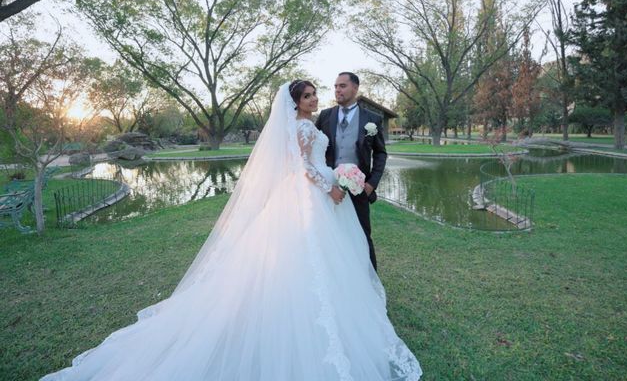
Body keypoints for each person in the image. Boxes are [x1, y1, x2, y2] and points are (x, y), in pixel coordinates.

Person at [41, 81, 422, 381]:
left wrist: (340, 176)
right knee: (306, 257)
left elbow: (320, 160)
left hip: (324, 189)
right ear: (295, 101)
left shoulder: (312, 122)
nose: (314, 99)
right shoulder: (302, 128)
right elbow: (299, 167)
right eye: (307, 96)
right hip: (310, 194)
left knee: (332, 258)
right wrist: (330, 185)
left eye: (314, 94)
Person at [316, 72, 386, 270]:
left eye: (342, 86)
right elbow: (314, 148)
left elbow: (380, 153)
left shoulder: (373, 119)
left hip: (359, 189)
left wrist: (371, 184)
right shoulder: (325, 116)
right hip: (329, 188)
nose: (338, 90)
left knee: (363, 235)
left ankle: (371, 281)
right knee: (330, 236)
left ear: (355, 88)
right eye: (336, 86)